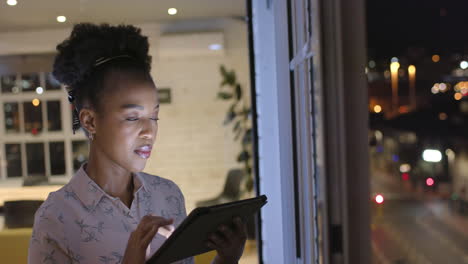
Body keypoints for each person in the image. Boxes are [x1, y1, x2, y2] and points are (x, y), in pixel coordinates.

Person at [28, 23, 247, 264]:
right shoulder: (57, 217)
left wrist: (226, 259)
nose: (149, 131)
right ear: (90, 121)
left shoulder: (168, 195)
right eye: (133, 117)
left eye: (154, 116)